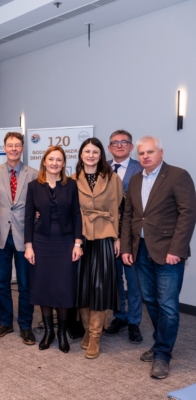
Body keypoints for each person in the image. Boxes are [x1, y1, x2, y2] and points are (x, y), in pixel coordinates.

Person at [121, 136, 196, 379]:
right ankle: (160, 343)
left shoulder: (178, 175)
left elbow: (188, 214)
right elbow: (129, 216)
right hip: (141, 250)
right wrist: (126, 248)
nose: (145, 156)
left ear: (160, 153)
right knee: (151, 301)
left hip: (168, 252)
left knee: (168, 306)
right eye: (142, 153)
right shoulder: (135, 180)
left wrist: (177, 249)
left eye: (150, 152)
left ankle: (163, 354)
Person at [24, 146, 83, 353]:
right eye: (51, 159)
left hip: (66, 242)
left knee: (63, 288)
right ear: (44, 162)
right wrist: (28, 246)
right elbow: (28, 218)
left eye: (59, 160)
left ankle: (62, 333)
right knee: (44, 286)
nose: (54, 163)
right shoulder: (33, 186)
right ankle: (49, 332)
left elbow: (77, 215)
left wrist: (78, 243)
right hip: (41, 242)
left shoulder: (71, 185)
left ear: (64, 163)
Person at [72, 137, 123, 359]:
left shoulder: (113, 178)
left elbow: (119, 210)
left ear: (101, 154)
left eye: (95, 152)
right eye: (87, 151)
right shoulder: (71, 180)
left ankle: (95, 337)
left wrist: (117, 238)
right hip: (80, 238)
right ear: (81, 155)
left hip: (104, 236)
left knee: (99, 288)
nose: (91, 155)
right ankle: (86, 330)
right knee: (82, 287)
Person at [0, 131, 38, 345]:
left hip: (25, 238)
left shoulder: (33, 174)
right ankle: (5, 322)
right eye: (10, 145)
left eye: (17, 145)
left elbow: (38, 207)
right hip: (0, 237)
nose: (14, 149)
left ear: (22, 148)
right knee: (2, 283)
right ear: (4, 148)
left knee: (26, 285)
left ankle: (25, 325)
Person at [104, 130, 143, 344]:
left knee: (134, 280)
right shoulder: (101, 168)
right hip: (107, 234)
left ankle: (134, 321)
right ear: (109, 147)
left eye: (124, 142)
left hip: (132, 235)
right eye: (115, 142)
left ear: (131, 147)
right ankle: (120, 316)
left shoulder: (141, 168)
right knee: (115, 279)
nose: (119, 145)